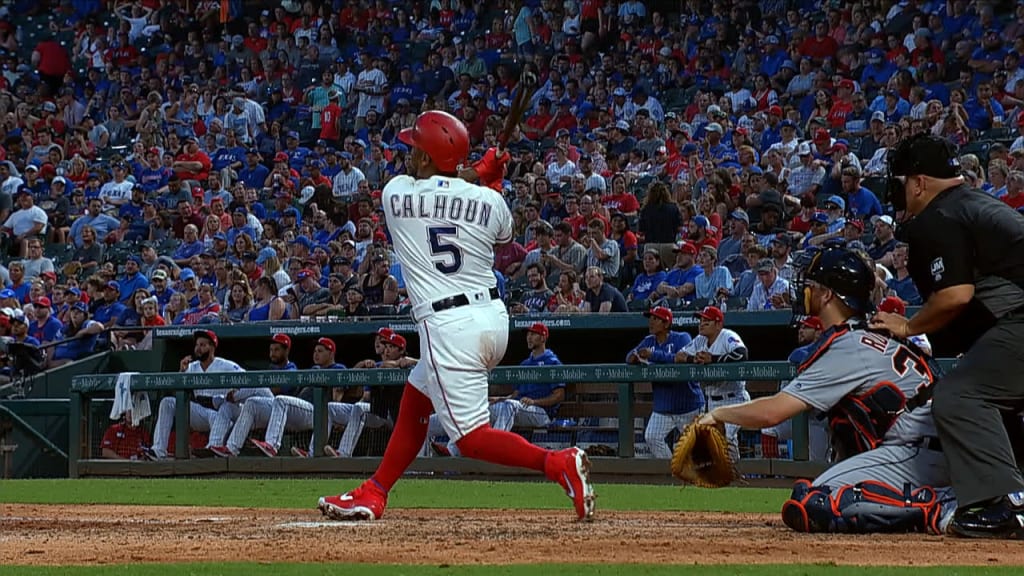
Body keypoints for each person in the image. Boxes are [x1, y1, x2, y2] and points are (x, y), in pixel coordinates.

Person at [317, 110, 595, 522]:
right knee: (416, 398)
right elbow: (497, 231)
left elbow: (440, 189)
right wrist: (491, 179)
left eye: (416, 149)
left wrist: (480, 171)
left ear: (428, 159)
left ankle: (557, 464)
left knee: (469, 439)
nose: (410, 155)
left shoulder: (397, 193)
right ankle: (374, 491)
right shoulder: (491, 201)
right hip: (494, 320)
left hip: (449, 327)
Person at [699, 245, 955, 534]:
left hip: (921, 452)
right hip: (935, 446)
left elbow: (772, 413)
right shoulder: (871, 333)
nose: (804, 291)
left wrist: (718, 414)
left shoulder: (850, 345)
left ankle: (942, 505)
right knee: (816, 495)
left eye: (811, 285)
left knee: (818, 502)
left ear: (828, 294)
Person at [870, 134, 1024, 539]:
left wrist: (908, 326)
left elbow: (956, 296)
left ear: (918, 183)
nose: (898, 190)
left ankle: (1007, 504)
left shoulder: (938, 215)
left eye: (901, 181)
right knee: (1000, 400)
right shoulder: (973, 204)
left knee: (961, 395)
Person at [142, 330, 244, 460]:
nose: (198, 349)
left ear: (212, 347)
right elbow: (175, 391)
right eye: (197, 345)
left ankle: (211, 450)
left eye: (202, 345)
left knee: (218, 416)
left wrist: (234, 392)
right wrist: (182, 373)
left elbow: (245, 379)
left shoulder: (226, 365)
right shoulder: (191, 367)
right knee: (168, 402)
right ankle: (158, 450)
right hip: (200, 412)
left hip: (220, 413)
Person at [625, 306, 704, 459]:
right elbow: (629, 357)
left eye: (655, 319)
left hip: (688, 405)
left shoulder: (682, 337)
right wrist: (634, 357)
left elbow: (682, 358)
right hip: (664, 407)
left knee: (696, 449)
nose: (651, 322)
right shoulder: (649, 341)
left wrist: (654, 355)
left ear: (666, 323)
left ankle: (704, 477)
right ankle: (672, 471)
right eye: (651, 318)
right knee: (652, 437)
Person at [674, 305, 750, 459]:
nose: (701, 323)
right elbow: (679, 356)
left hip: (734, 399)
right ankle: (733, 474)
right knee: (724, 442)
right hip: (713, 401)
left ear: (718, 324)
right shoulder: (700, 340)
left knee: (724, 439)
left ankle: (730, 473)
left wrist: (713, 359)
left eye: (706, 321)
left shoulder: (727, 335)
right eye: (701, 320)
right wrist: (692, 358)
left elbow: (742, 354)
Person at [489, 323, 565, 433]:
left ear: (543, 337)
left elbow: (559, 396)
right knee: (485, 409)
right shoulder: (525, 364)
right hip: (521, 408)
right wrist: (500, 399)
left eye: (533, 334)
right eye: (528, 334)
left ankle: (496, 445)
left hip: (541, 413)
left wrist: (534, 401)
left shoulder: (552, 362)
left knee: (510, 406)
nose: (529, 337)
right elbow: (516, 395)